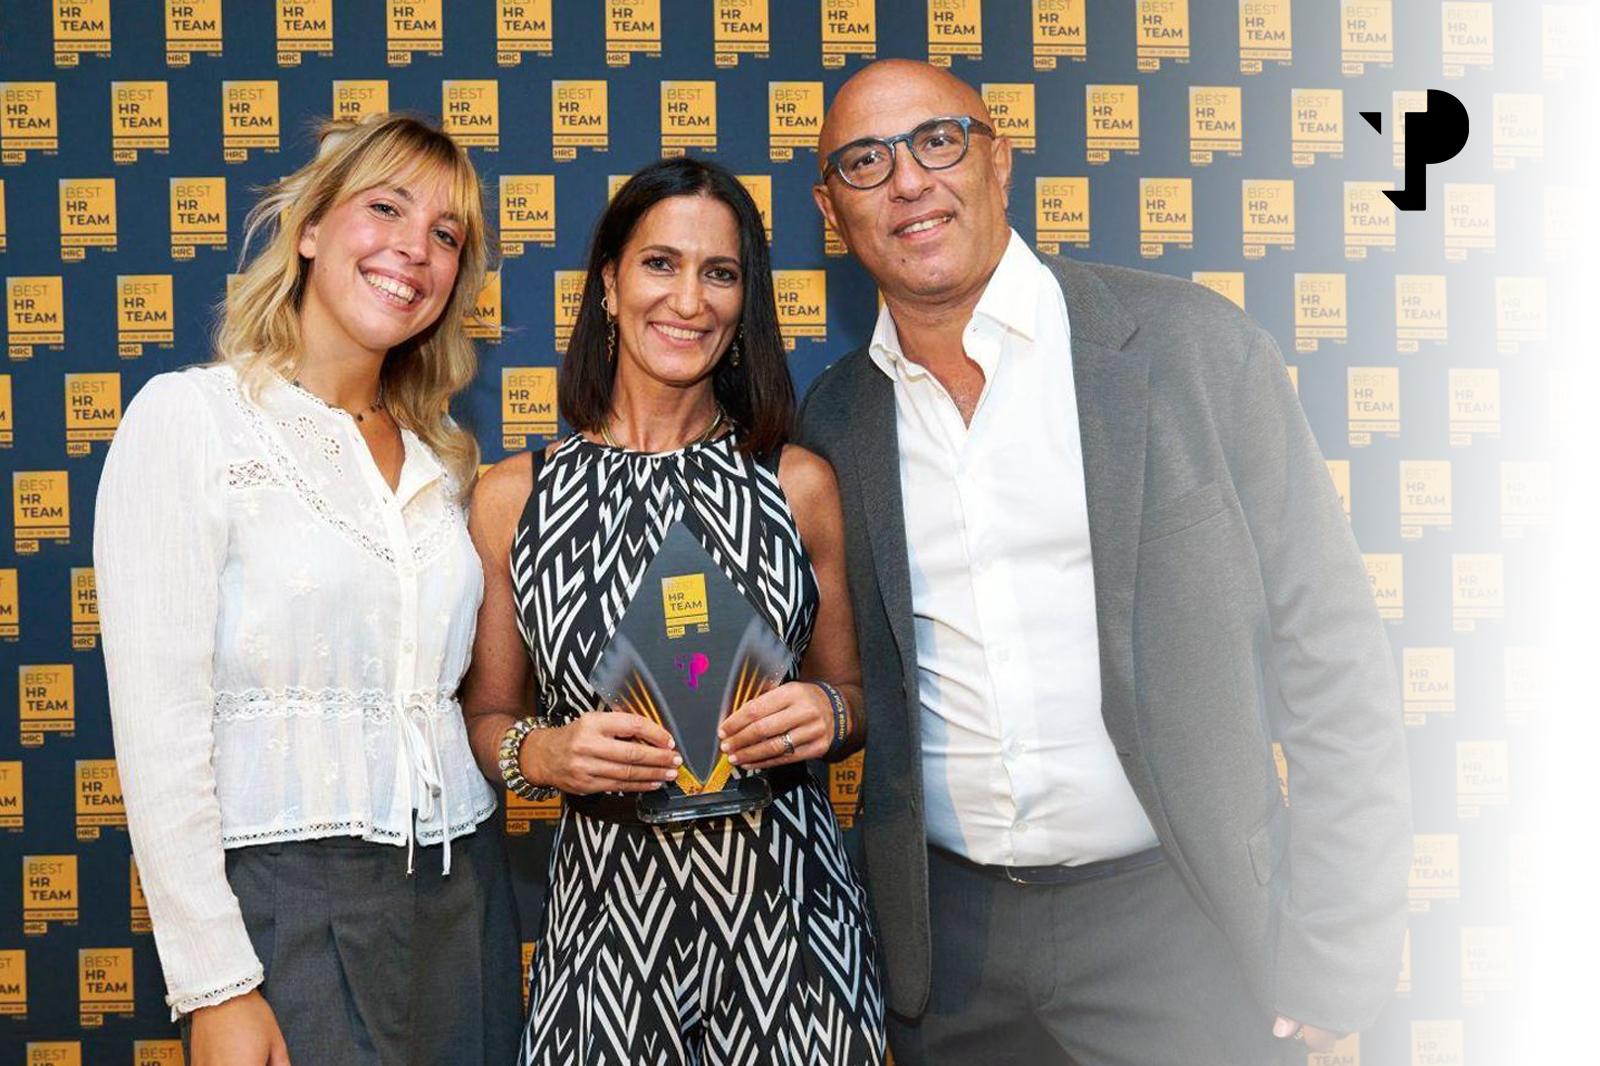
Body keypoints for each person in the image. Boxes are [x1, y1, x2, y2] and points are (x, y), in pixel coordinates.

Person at [799, 59, 1413, 1066]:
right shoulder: (835, 420)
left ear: (999, 161)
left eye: (938, 141)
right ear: (832, 210)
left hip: (1182, 927)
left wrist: (1338, 944)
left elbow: (1334, 654)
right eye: (865, 162)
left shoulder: (1193, 351)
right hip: (946, 958)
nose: (907, 180)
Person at [95, 112, 521, 1066]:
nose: (415, 248)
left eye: (446, 234)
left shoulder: (443, 467)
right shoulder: (193, 421)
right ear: (312, 228)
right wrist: (216, 983)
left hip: (465, 891)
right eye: (386, 209)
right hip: (283, 905)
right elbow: (160, 731)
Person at [460, 156, 886, 1066]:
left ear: (744, 303)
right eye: (660, 263)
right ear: (609, 285)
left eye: (719, 273)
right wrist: (544, 753)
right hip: (604, 934)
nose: (689, 300)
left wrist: (826, 712)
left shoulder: (797, 484)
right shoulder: (514, 496)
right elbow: (488, 715)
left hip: (793, 935)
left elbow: (853, 695)